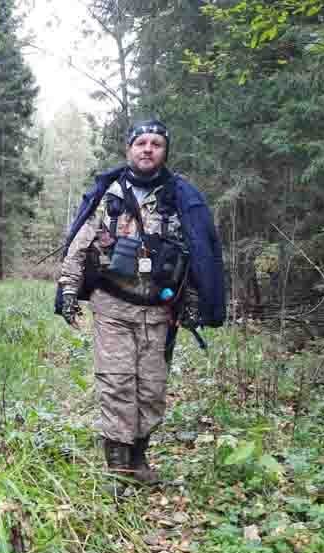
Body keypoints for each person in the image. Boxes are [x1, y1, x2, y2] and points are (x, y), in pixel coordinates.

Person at [56, 119, 225, 489]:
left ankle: (138, 458)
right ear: (129, 149)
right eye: (141, 143)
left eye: (156, 144)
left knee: (151, 389)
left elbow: (197, 253)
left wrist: (193, 300)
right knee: (117, 383)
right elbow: (79, 245)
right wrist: (68, 291)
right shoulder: (109, 195)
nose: (148, 149)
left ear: (165, 151)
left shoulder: (181, 198)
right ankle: (117, 469)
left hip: (158, 311)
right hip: (112, 306)